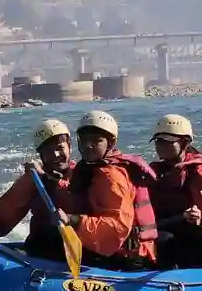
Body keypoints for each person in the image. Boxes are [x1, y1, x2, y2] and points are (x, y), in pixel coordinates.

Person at [59, 110, 159, 271]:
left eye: (96, 141)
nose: (87, 146)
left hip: (128, 256)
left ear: (110, 143)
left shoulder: (111, 176)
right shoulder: (97, 169)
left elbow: (116, 229)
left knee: (45, 243)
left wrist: (74, 220)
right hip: (111, 248)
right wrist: (52, 180)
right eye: (83, 140)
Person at [0, 118, 76, 262]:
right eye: (48, 150)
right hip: (42, 252)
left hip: (76, 253)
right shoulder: (33, 180)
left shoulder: (81, 174)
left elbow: (76, 200)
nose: (56, 155)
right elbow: (3, 212)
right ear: (40, 155)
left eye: (60, 148)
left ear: (69, 146)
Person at [148, 114, 202, 268]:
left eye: (168, 142)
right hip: (167, 228)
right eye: (158, 141)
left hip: (197, 239)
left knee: (164, 241)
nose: (160, 146)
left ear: (185, 142)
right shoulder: (157, 171)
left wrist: (201, 220)